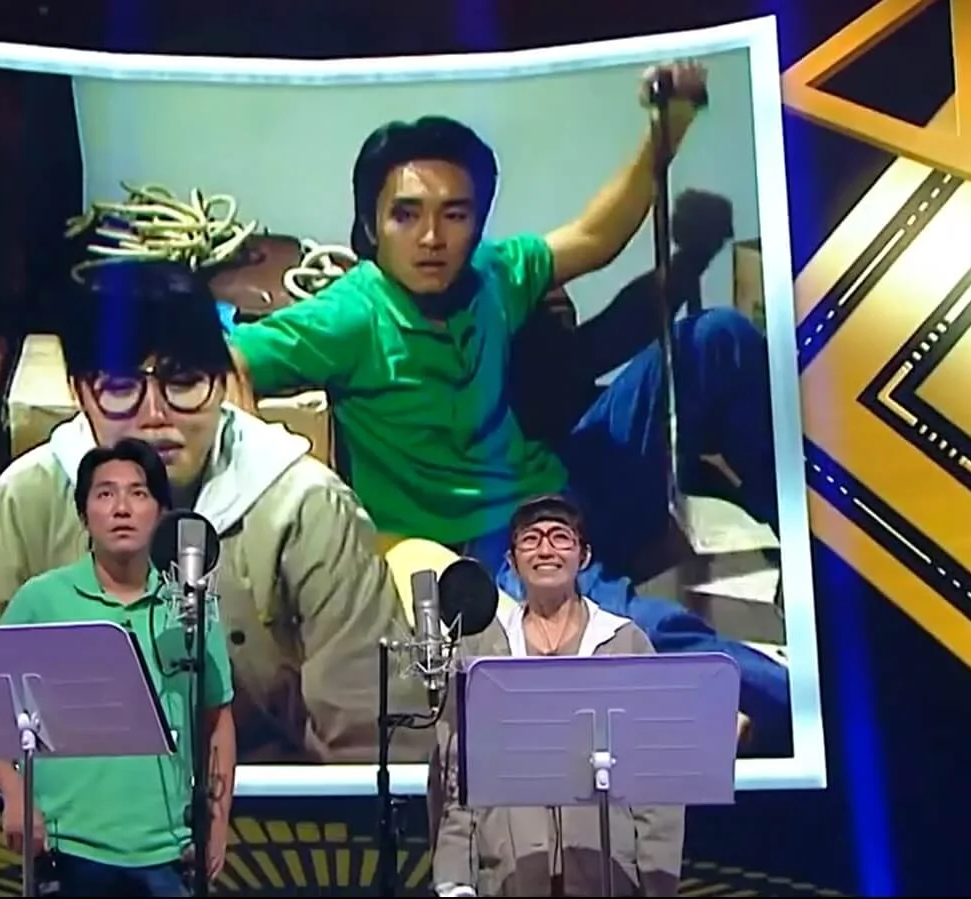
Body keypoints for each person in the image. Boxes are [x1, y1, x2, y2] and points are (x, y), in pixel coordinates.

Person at [224, 62, 792, 755]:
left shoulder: (493, 271)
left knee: (715, 339)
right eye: (406, 214)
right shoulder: (350, 315)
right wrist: (247, 450)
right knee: (638, 631)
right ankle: (803, 709)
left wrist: (666, 128)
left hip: (561, 482)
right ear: (372, 224)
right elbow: (227, 353)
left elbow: (594, 237)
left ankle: (809, 541)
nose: (430, 238)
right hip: (484, 544)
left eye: (453, 214)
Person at [0, 259, 431, 763]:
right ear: (80, 391)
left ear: (223, 382)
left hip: (265, 795)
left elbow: (376, 744)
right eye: (120, 388)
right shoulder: (27, 500)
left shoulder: (309, 508)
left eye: (183, 382)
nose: (155, 416)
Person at [0, 438, 235, 897]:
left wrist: (217, 825)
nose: (122, 508)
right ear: (84, 514)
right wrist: (15, 794)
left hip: (171, 855)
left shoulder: (192, 607)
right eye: (105, 494)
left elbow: (216, 719)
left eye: (138, 493)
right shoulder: (43, 600)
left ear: (161, 512)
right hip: (68, 846)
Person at [427, 495, 683, 897]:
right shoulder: (480, 650)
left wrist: (656, 881)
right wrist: (454, 878)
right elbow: (457, 776)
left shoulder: (624, 643)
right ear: (512, 561)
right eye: (531, 540)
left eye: (560, 538)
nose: (546, 550)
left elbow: (655, 777)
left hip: (607, 872)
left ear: (584, 556)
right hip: (509, 873)